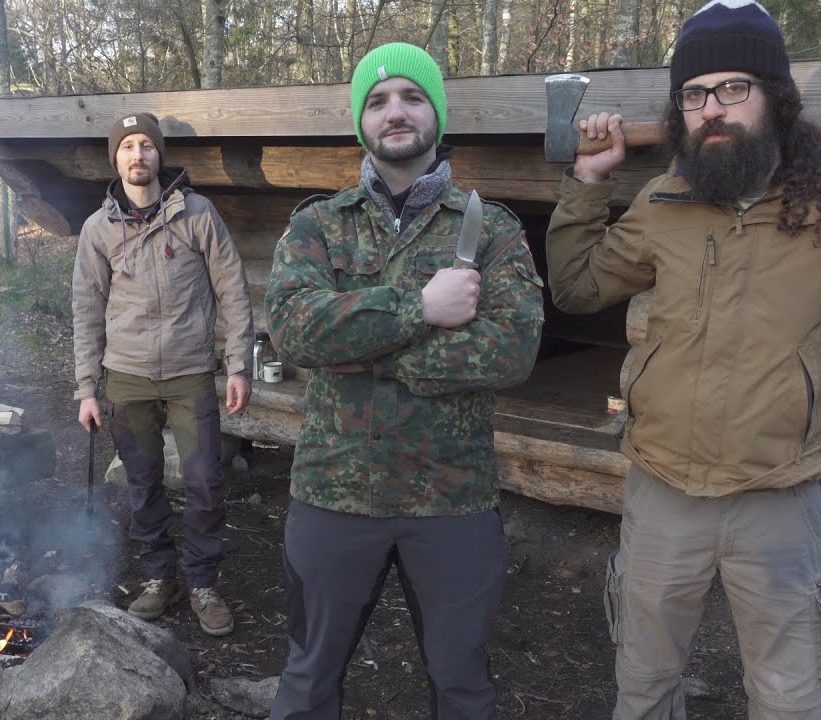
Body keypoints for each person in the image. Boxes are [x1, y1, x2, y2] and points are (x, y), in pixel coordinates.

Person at [545, 1, 821, 717]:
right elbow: (578, 286)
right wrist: (588, 182)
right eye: (694, 94)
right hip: (660, 493)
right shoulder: (664, 199)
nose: (713, 109)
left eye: (733, 88)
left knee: (790, 697)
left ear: (777, 97)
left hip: (777, 499)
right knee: (644, 687)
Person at [265, 43, 547, 719]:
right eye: (378, 100)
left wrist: (369, 353)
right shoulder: (318, 226)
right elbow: (294, 330)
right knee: (307, 683)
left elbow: (514, 350)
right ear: (361, 122)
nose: (396, 111)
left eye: (412, 97)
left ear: (436, 115)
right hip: (335, 494)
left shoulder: (492, 229)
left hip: (451, 501)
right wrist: (420, 310)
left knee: (463, 688)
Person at [72, 111, 254, 637]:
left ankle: (201, 582)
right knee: (142, 483)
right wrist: (86, 388)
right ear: (117, 158)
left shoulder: (197, 214)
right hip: (125, 376)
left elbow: (234, 291)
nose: (137, 155)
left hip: (190, 371)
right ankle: (159, 578)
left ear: (159, 155)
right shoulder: (97, 229)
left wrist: (238, 364)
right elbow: (86, 310)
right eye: (127, 146)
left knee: (204, 482)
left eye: (146, 145)